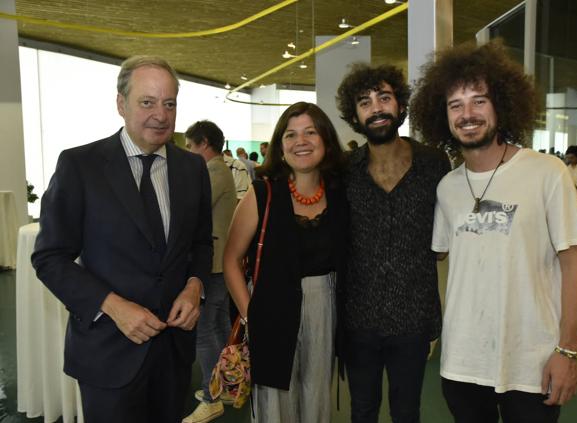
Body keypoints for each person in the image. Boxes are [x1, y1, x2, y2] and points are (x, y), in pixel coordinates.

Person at [410, 41, 577, 422]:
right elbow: (442, 259)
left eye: (479, 100)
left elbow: (576, 265)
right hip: (462, 363)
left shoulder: (547, 172)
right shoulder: (447, 188)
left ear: (501, 105)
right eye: (455, 104)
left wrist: (569, 351)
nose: (467, 114)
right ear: (442, 116)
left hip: (532, 362)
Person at [31, 55, 212, 423]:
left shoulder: (192, 169)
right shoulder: (80, 166)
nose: (160, 115)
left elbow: (200, 242)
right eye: (147, 102)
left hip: (173, 353)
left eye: (169, 103)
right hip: (108, 352)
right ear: (121, 104)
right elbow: (50, 257)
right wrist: (112, 306)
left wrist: (195, 286)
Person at [336, 63, 450, 423]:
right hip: (358, 317)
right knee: (363, 410)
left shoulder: (434, 163)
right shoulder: (344, 170)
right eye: (365, 102)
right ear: (354, 115)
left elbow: (445, 236)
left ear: (400, 105)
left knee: (406, 411)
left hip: (413, 316)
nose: (376, 108)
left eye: (384, 97)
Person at [223, 102, 347, 422]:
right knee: (274, 400)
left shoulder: (340, 192)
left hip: (325, 306)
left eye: (310, 132)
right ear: (280, 145)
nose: (300, 141)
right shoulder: (262, 193)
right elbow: (232, 260)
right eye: (290, 134)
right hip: (271, 307)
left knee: (315, 394)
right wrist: (252, 315)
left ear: (326, 140)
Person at [183, 120, 238, 423]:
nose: (189, 152)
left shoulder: (213, 172)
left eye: (191, 146)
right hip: (219, 264)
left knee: (205, 332)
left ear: (204, 143)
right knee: (216, 328)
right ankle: (223, 388)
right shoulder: (219, 170)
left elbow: (191, 210)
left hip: (214, 265)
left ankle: (211, 395)